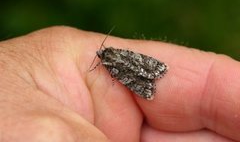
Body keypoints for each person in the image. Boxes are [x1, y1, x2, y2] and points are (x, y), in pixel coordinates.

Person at [0, 26, 239, 142]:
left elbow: (118, 73)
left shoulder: (108, 61)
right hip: (138, 63)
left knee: (135, 73)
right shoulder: (111, 57)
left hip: (127, 67)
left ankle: (149, 82)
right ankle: (151, 78)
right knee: (142, 68)